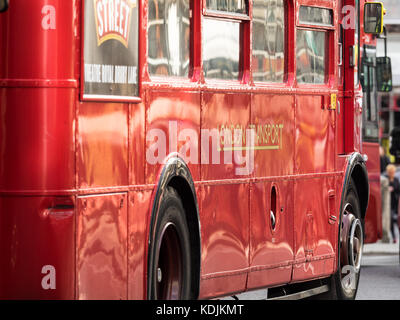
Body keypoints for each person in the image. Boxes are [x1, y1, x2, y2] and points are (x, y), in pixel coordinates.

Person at [386, 164, 399, 243]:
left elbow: (398, 189)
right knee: (390, 219)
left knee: (397, 220)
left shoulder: (396, 179)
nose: (391, 173)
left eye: (392, 172)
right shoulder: (386, 179)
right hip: (388, 202)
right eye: (390, 172)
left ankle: (396, 236)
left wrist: (393, 189)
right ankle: (393, 236)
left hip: (395, 202)